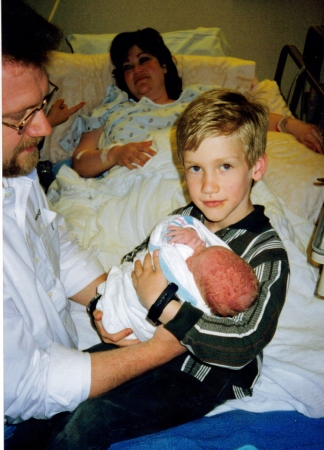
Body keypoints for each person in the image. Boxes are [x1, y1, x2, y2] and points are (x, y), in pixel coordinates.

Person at [47, 87, 290, 449]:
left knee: (91, 421)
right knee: (58, 395)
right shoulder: (183, 220)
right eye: (195, 168)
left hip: (202, 372)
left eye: (225, 166)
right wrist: (102, 308)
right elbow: (134, 264)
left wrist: (165, 306)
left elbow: (244, 341)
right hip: (140, 340)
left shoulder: (265, 253)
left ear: (256, 167)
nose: (208, 186)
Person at [2, 1, 185, 448]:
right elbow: (28, 385)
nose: (45, 127)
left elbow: (51, 240)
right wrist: (159, 349)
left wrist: (113, 300)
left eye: (42, 102)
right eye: (23, 116)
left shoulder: (13, 165)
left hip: (59, 360)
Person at [66, 28, 323, 178]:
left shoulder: (198, 99)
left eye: (144, 60)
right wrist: (115, 154)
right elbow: (79, 162)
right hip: (131, 185)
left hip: (199, 180)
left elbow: (250, 116)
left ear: (164, 66)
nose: (137, 70)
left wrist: (293, 126)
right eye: (128, 66)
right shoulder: (111, 110)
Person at [97, 214, 259, 341]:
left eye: (197, 255)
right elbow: (134, 258)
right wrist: (192, 231)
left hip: (137, 324)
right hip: (118, 306)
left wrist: (157, 302)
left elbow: (160, 244)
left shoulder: (190, 289)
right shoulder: (209, 271)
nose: (199, 246)